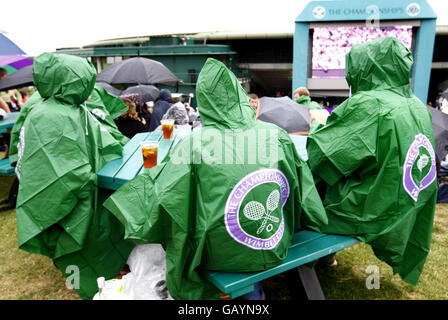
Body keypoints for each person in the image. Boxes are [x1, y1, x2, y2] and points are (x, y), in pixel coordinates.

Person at [104, 58, 327, 300]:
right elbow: (305, 195)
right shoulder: (275, 134)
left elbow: (166, 199)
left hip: (217, 255)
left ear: (206, 101)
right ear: (239, 97)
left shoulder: (195, 143)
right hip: (275, 244)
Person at [307, 37, 438, 287]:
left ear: (365, 68)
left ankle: (297, 261)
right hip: (406, 202)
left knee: (302, 193)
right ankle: (327, 258)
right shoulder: (417, 105)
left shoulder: (370, 103)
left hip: (372, 209)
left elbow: (322, 158)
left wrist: (318, 126)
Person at [11, 52, 134, 300]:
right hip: (72, 201)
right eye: (84, 80)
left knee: (95, 247)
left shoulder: (71, 108)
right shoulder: (50, 115)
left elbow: (104, 139)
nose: (88, 87)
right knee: (77, 248)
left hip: (84, 193)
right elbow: (62, 171)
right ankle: (92, 288)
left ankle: (105, 286)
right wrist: (93, 179)